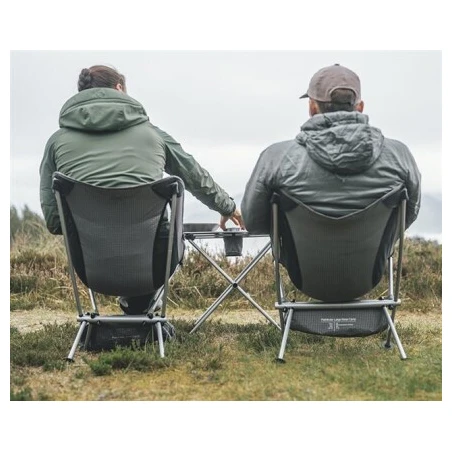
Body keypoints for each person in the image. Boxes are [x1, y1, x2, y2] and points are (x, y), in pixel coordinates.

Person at [40, 64, 244, 315]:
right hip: (154, 264)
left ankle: (131, 307)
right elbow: (195, 177)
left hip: (90, 266)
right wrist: (228, 207)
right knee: (165, 235)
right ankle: (141, 306)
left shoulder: (56, 142)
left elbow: (54, 221)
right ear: (119, 89)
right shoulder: (153, 136)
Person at [241, 63, 421, 236]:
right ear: (360, 107)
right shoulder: (399, 156)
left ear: (312, 107)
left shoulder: (275, 158)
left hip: (301, 259)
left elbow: (253, 223)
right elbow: (407, 215)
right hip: (374, 258)